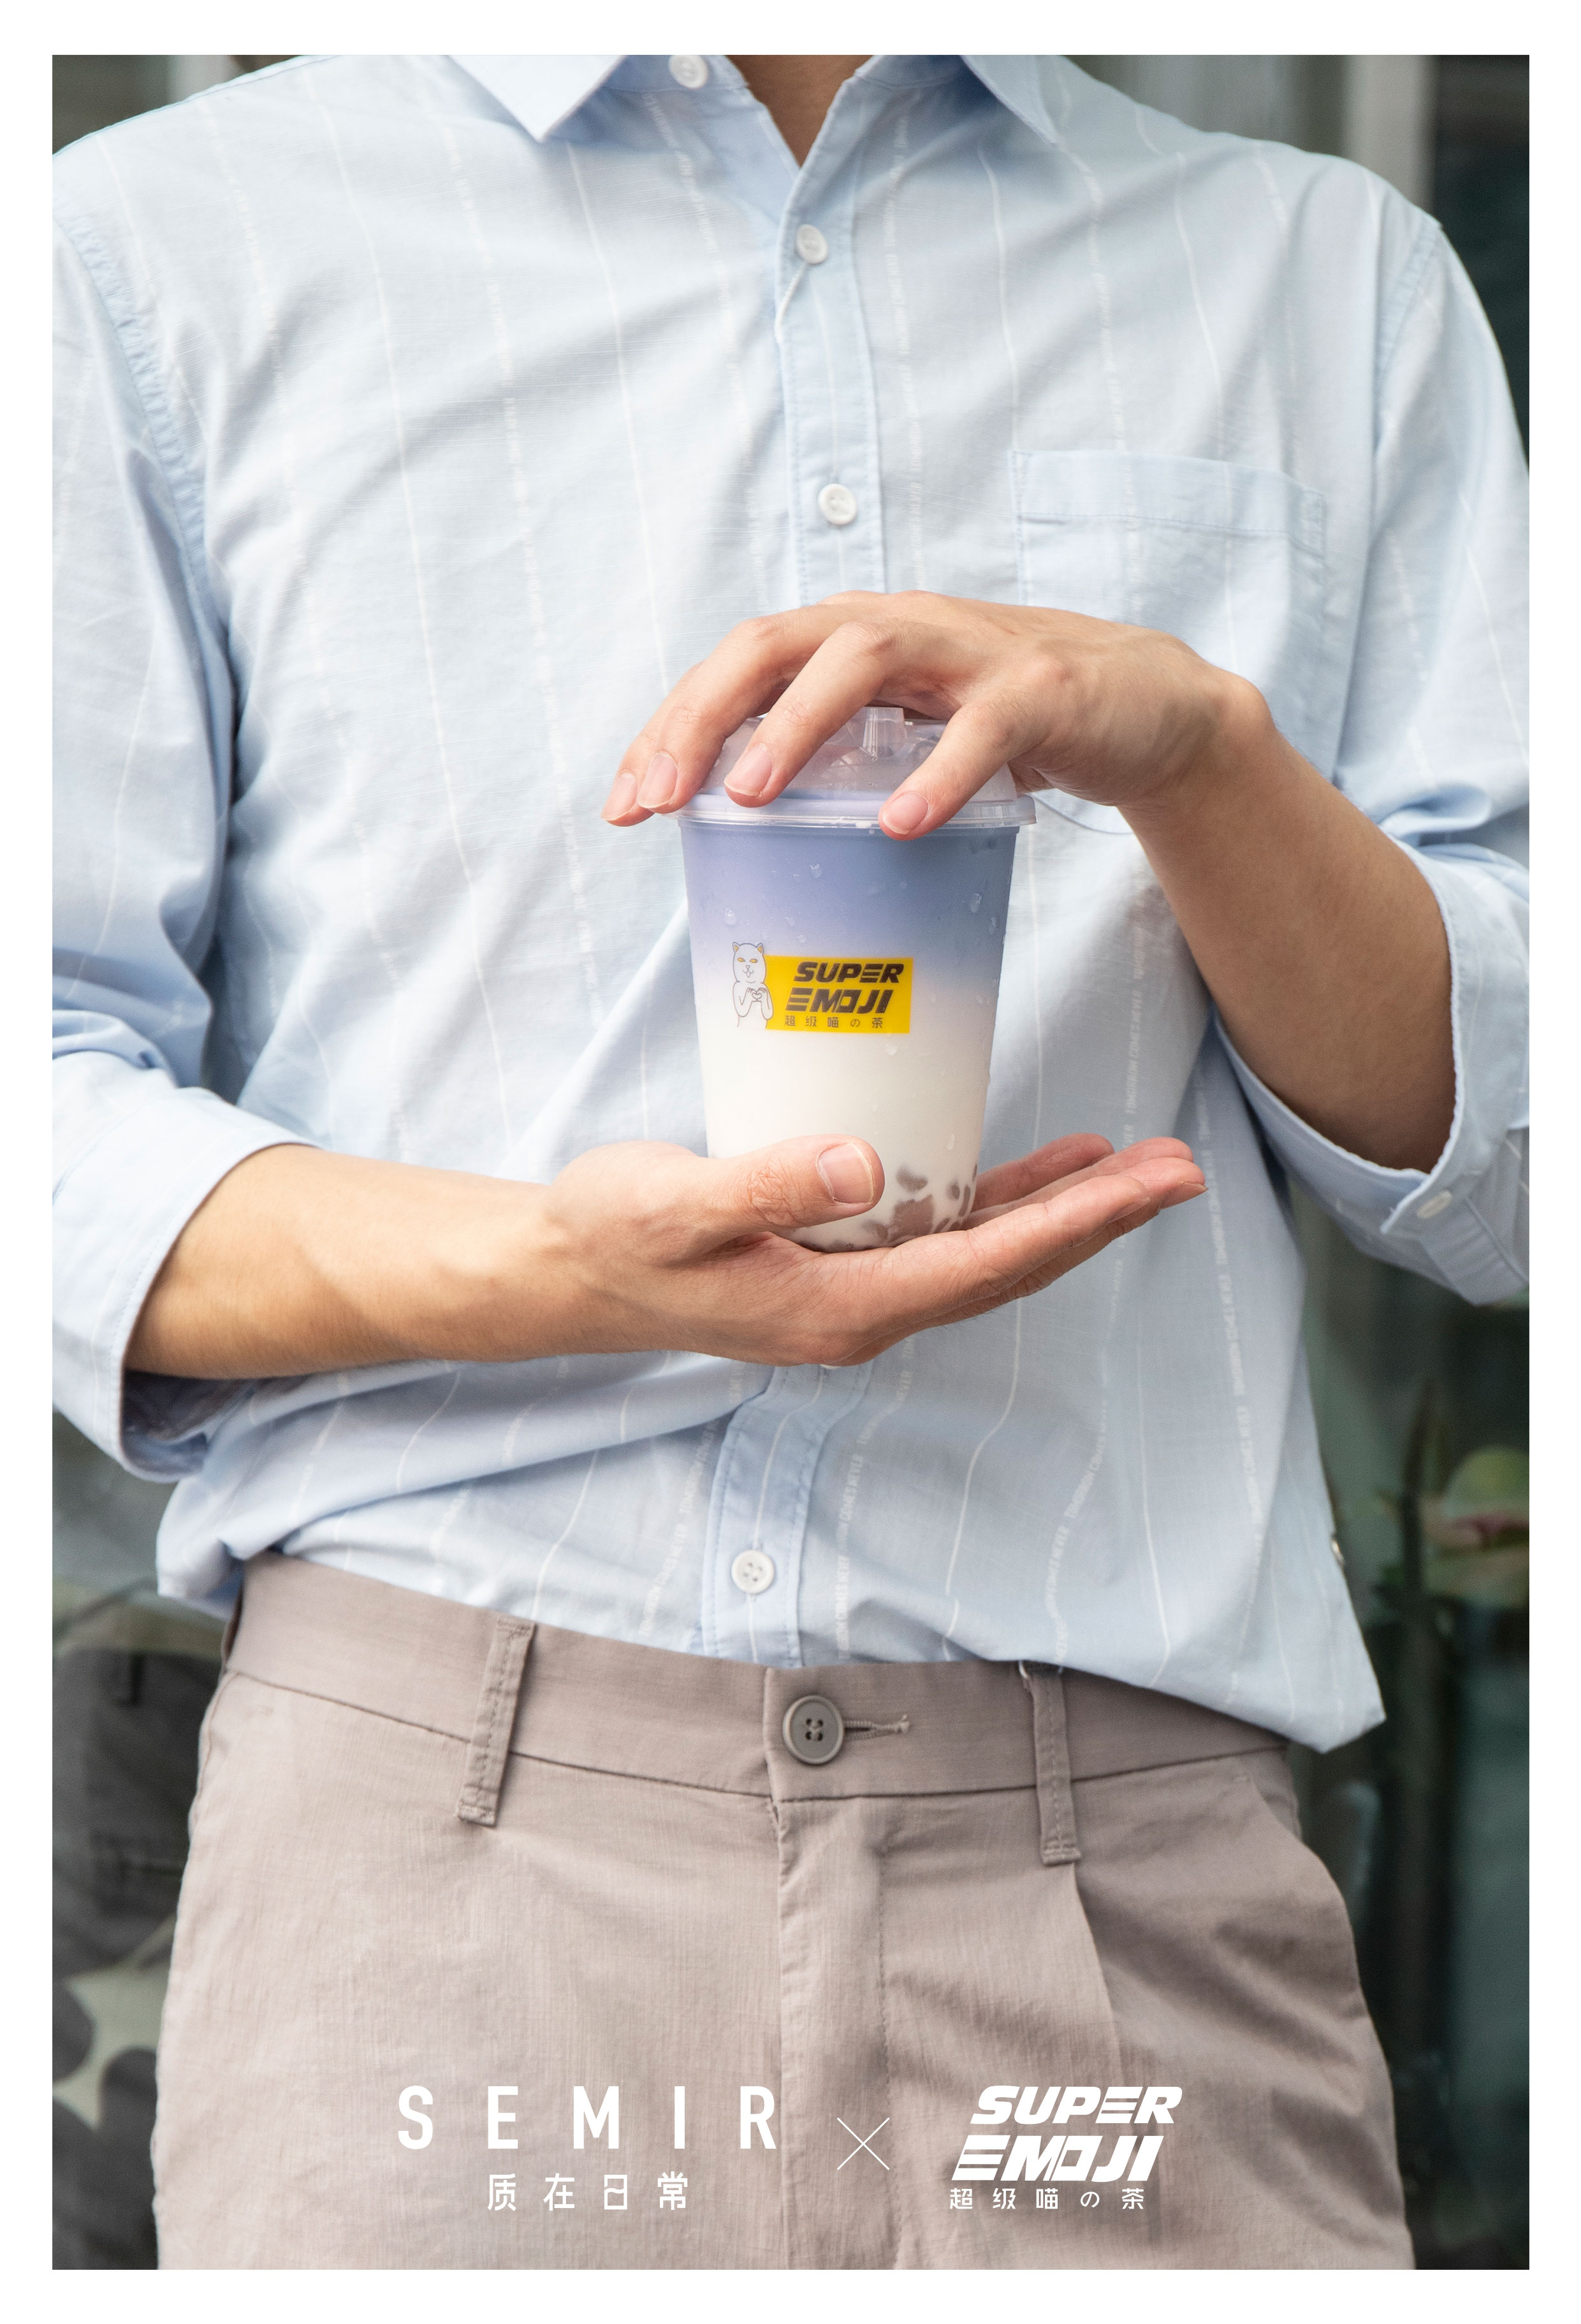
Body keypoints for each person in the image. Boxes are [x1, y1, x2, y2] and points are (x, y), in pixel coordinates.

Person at [52, 54, 1527, 2269]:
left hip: (1122, 1906)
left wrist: (1209, 757)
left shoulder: (1329, 283)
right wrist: (557, 1271)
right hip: (441, 1880)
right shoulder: (155, 252)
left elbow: (1509, 1176)